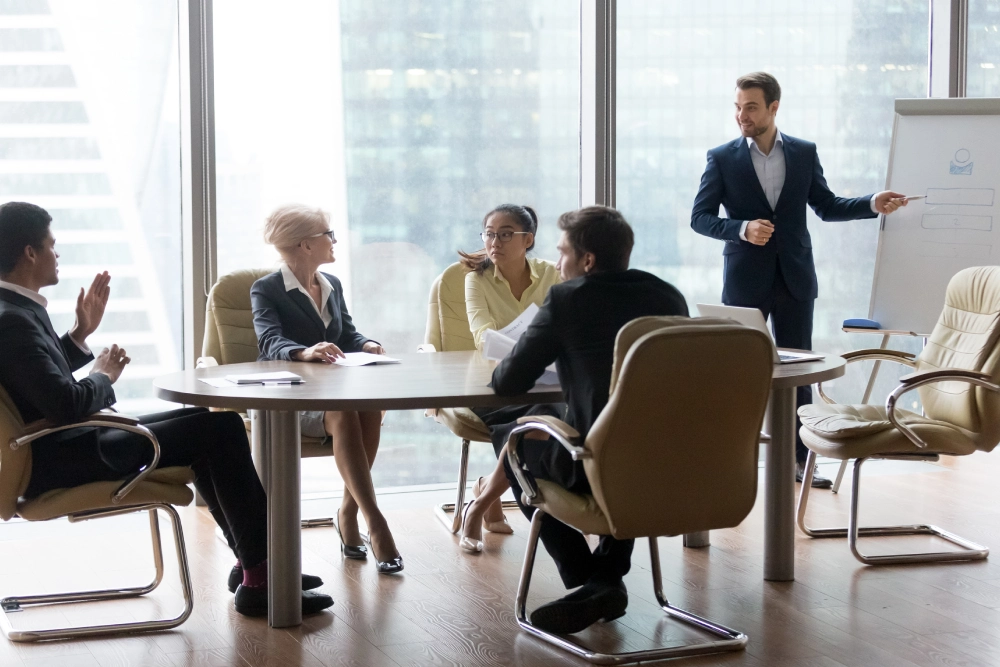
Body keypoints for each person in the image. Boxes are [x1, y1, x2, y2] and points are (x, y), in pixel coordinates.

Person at [0, 201, 333, 617]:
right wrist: (102, 375)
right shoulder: (13, 320)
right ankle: (262, 574)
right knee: (218, 431)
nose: (57, 254)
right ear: (30, 253)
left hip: (65, 445)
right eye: (52, 245)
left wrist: (80, 335)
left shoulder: (15, 311)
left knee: (214, 423)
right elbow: (65, 404)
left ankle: (256, 563)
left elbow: (36, 383)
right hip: (68, 455)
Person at [690, 71, 908, 489]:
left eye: (750, 106)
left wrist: (871, 204)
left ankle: (799, 463)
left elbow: (825, 205)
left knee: (798, 374)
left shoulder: (804, 153)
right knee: (737, 373)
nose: (741, 115)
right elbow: (700, 218)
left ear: (774, 107)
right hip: (743, 282)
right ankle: (729, 463)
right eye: (737, 107)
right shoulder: (721, 157)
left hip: (794, 277)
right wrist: (740, 228)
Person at [491, 206, 688, 635]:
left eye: (562, 253)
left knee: (512, 439)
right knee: (601, 431)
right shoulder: (668, 296)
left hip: (597, 465)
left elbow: (508, 379)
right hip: (672, 465)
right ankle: (605, 578)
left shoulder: (568, 299)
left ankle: (594, 580)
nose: (558, 263)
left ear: (588, 261)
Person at [251, 204, 402, 574]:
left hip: (336, 390)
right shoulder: (267, 289)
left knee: (370, 407)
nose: (334, 240)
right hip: (291, 397)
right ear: (305, 244)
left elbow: (347, 333)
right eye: (328, 234)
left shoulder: (332, 284)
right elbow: (269, 341)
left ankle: (348, 512)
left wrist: (366, 344)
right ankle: (375, 522)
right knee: (343, 413)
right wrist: (305, 351)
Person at [457, 204, 563, 553]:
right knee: (534, 422)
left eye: (505, 234)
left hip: (544, 378)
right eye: (489, 233)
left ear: (527, 239)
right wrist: (532, 347)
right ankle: (487, 503)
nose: (494, 241)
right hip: (492, 380)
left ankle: (483, 497)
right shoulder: (477, 279)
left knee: (549, 417)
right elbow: (482, 335)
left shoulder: (551, 274)